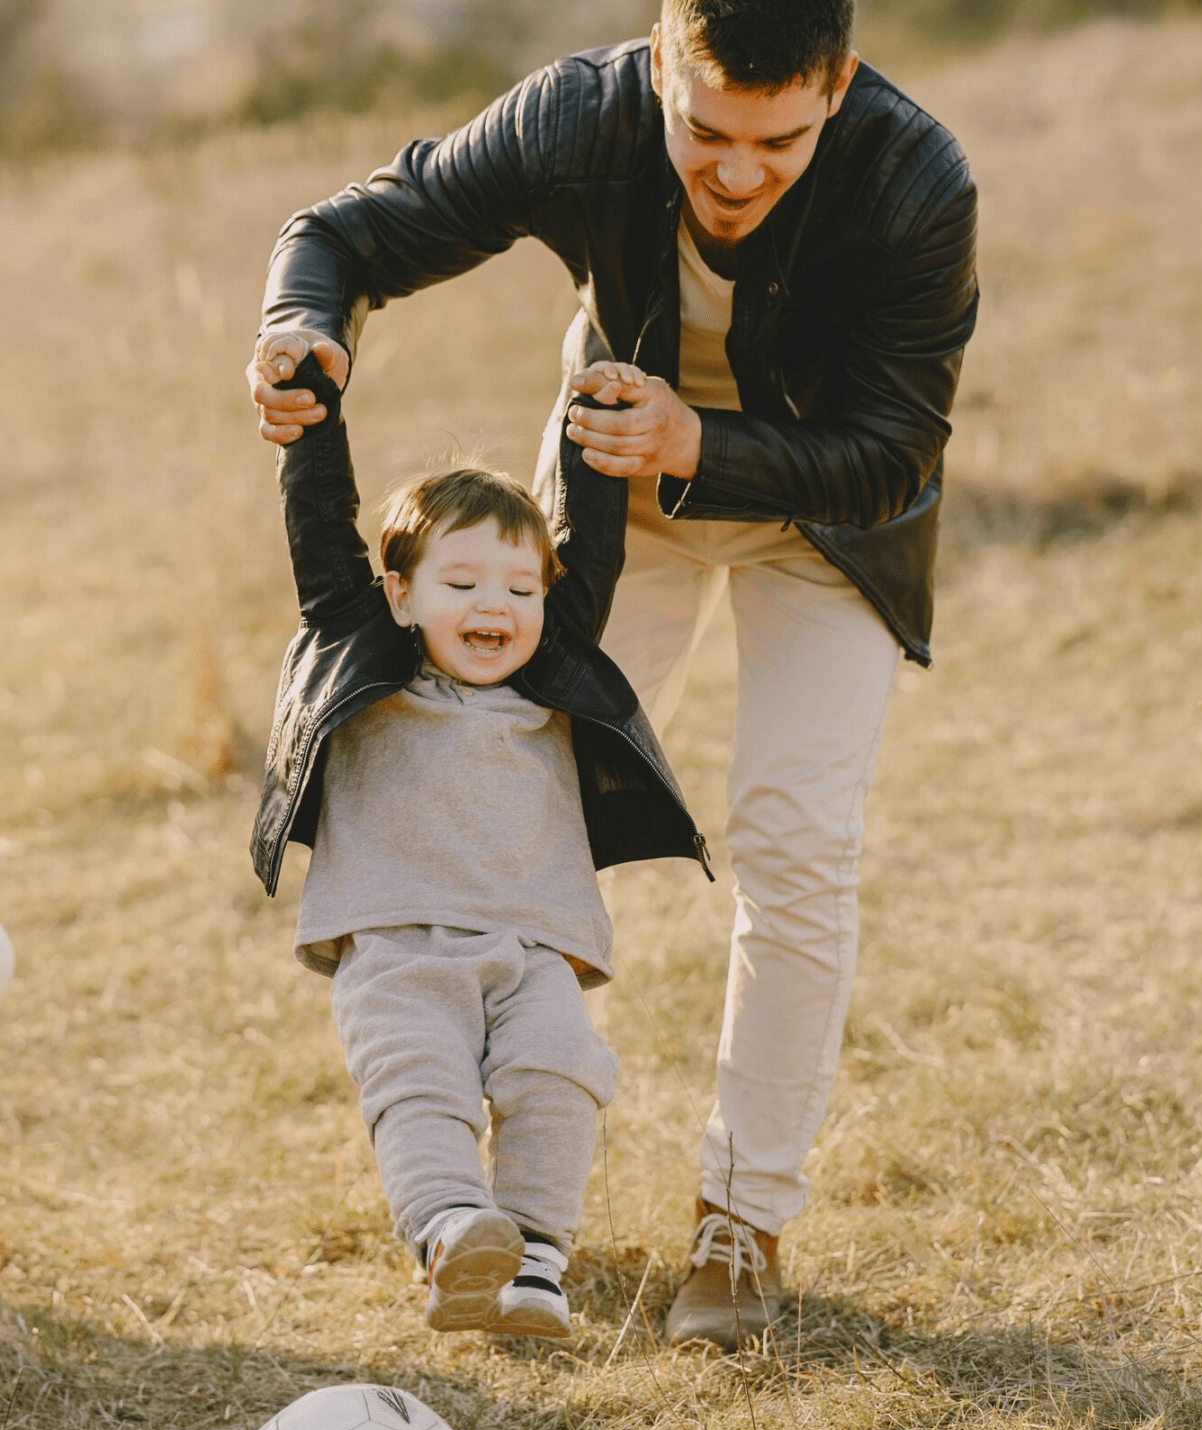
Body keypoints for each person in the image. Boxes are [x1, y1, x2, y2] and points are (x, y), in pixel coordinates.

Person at [247, 0, 978, 1350]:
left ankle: (741, 1224)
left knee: (793, 838)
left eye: (781, 139)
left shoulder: (916, 179)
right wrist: (306, 329)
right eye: (705, 132)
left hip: (827, 527)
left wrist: (702, 436)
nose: (739, 172)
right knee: (513, 799)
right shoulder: (576, 118)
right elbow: (343, 233)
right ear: (656, 69)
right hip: (604, 516)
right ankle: (478, 1206)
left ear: (841, 88)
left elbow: (896, 451)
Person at [252, 344, 708, 1338]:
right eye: (460, 583)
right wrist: (312, 421)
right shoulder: (367, 655)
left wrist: (601, 401)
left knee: (556, 1075)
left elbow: (594, 540)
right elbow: (322, 535)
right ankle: (455, 1235)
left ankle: (536, 1260)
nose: (493, 606)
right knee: (421, 1085)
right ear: (401, 594)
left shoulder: (556, 674)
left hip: (533, 944)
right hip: (396, 942)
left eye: (517, 588)